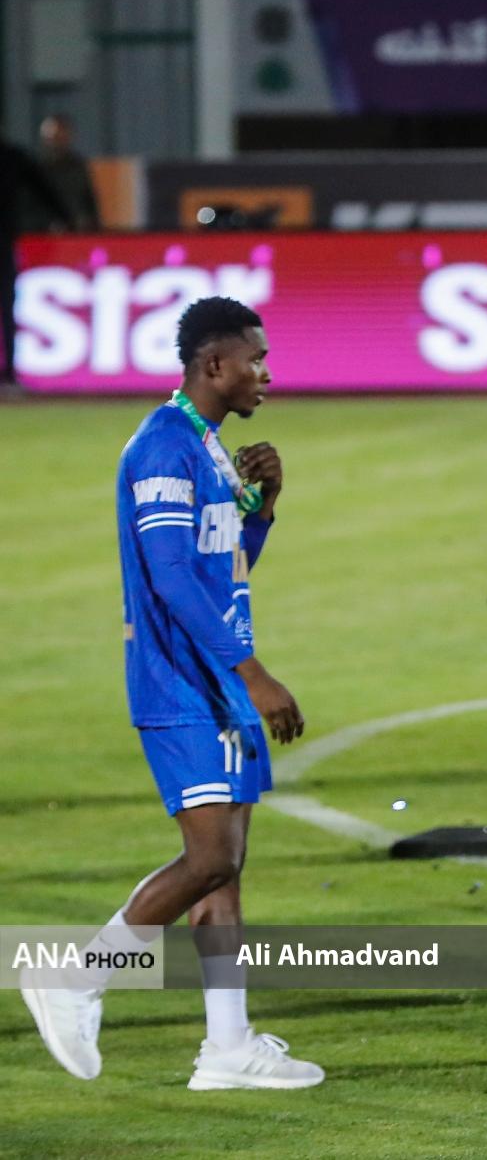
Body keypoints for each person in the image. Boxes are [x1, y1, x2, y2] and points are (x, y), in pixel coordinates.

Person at [21, 297, 320, 1090]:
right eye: (255, 358)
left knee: (225, 867)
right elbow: (172, 579)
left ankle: (228, 1046)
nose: (266, 372)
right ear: (214, 364)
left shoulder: (208, 449)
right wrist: (253, 673)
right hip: (185, 682)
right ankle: (75, 979)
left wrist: (266, 508)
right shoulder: (162, 447)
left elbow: (222, 566)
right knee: (211, 856)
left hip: (215, 679)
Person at [0, 137, 75, 388]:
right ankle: (9, 373)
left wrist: (64, 217)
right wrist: (65, 218)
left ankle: (9, 372)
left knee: (8, 307)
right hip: (5, 241)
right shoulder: (12, 156)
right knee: (7, 307)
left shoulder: (12, 156)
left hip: (4, 242)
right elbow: (43, 188)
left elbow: (42, 188)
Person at [21, 113, 98, 233]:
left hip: (76, 232)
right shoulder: (34, 168)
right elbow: (27, 206)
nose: (58, 141)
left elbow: (88, 201)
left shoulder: (78, 166)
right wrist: (48, 223)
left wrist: (89, 222)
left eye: (62, 136)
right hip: (43, 234)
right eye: (54, 137)